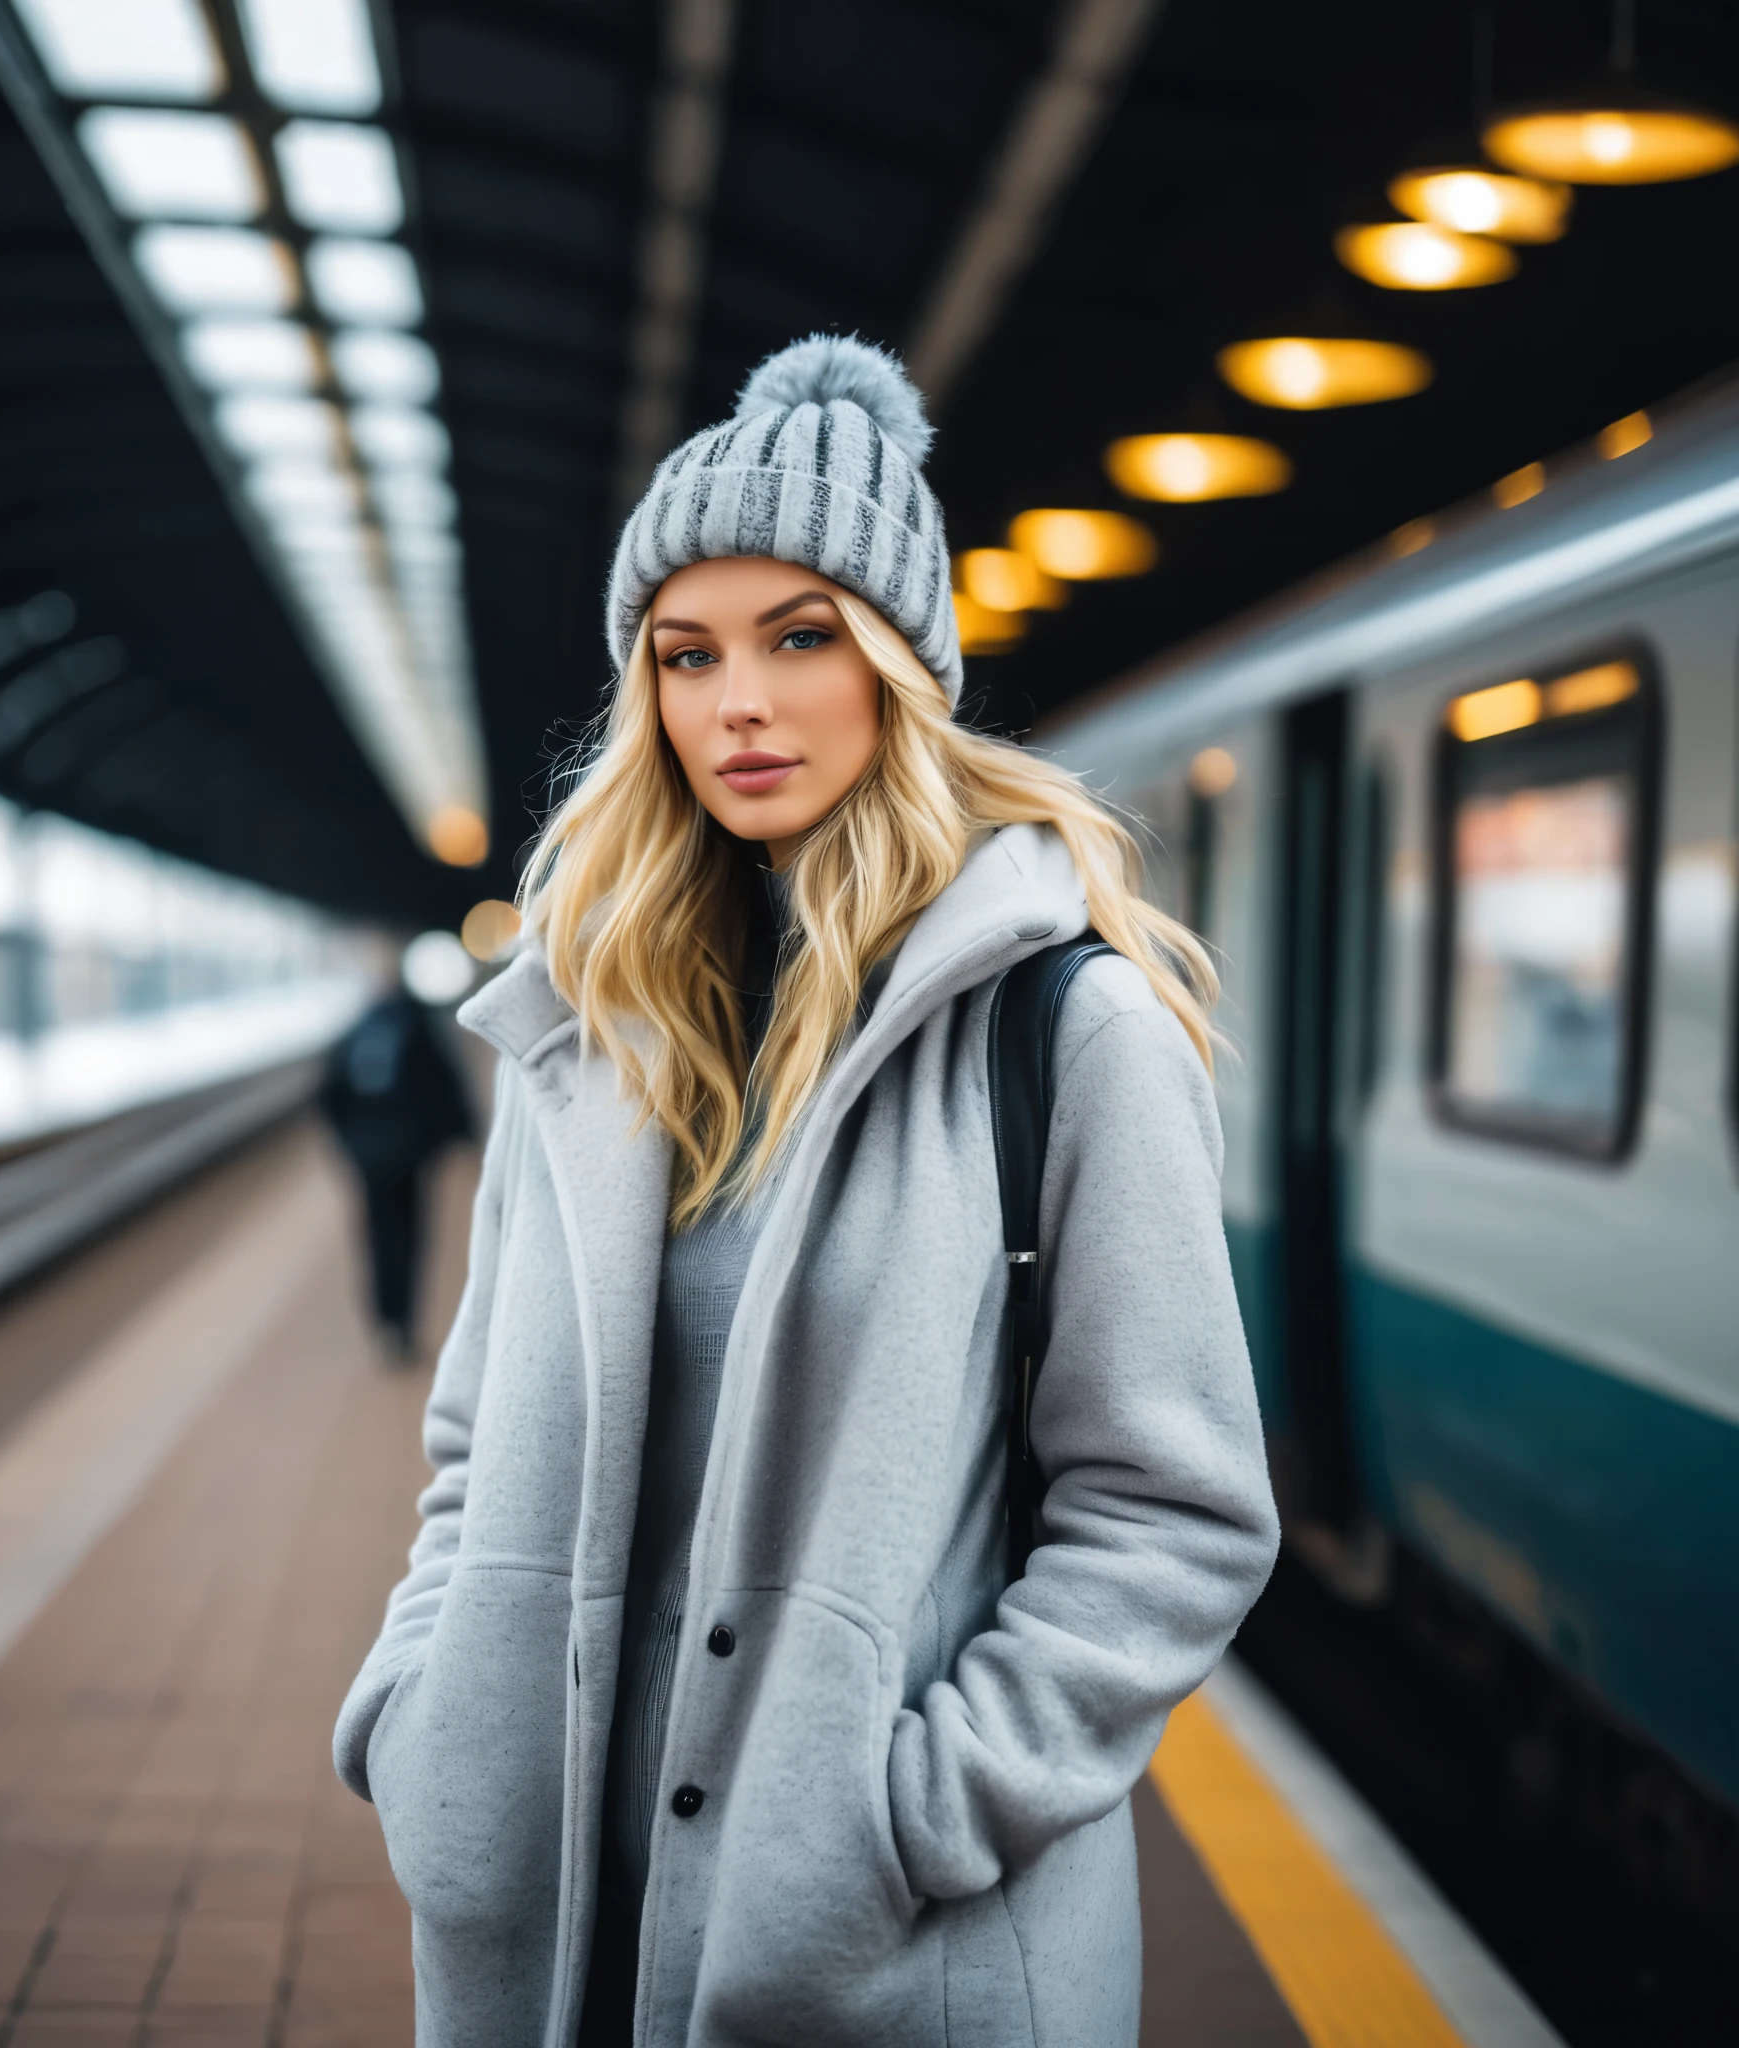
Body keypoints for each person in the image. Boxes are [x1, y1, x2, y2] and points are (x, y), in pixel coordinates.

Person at [333, 335, 1279, 2045]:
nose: (736, 704)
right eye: (684, 654)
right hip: (546, 1925)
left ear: (899, 668)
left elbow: (1170, 1512)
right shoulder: (588, 1031)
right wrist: (420, 1721)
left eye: (798, 637)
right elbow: (473, 1443)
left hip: (871, 1951)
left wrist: (906, 1816)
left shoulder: (1063, 1025)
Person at [321, 981, 470, 1354]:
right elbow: (445, 1086)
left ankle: (385, 1319)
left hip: (369, 1158)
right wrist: (456, 1136)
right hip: (410, 1154)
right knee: (411, 1235)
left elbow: (328, 1095)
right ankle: (404, 1322)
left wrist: (348, 1146)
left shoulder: (353, 1033)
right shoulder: (418, 1029)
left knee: (376, 1236)